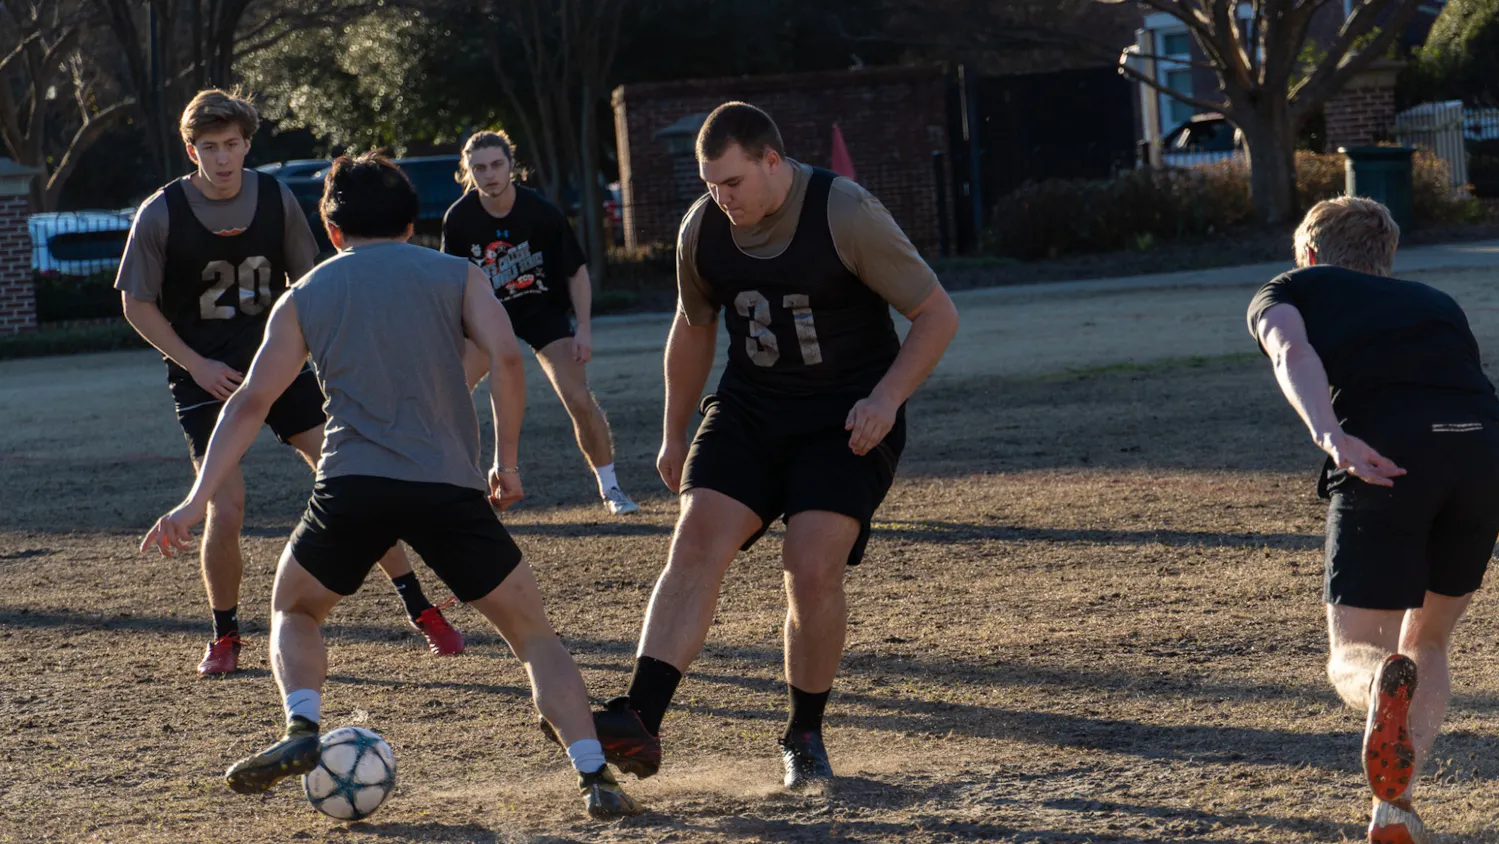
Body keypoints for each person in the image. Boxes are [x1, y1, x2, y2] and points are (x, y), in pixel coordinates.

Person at [140, 154, 641, 819]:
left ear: (332, 227)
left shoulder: (307, 293)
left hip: (353, 485)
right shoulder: (458, 274)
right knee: (535, 638)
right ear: (413, 222)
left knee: (294, 608)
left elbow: (251, 400)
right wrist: (508, 460)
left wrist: (196, 498)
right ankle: (594, 776)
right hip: (448, 488)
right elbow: (509, 356)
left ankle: (301, 728)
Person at [541, 102, 958, 790]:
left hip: (846, 417)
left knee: (811, 563)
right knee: (697, 537)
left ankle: (804, 735)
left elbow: (936, 313)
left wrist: (885, 399)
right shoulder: (702, 228)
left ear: (772, 161)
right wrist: (675, 430)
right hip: (751, 410)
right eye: (710, 183)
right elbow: (693, 325)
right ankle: (640, 721)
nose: (720, 197)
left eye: (732, 182)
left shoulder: (844, 211)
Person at [117, 89, 462, 675]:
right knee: (226, 508)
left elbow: (311, 283)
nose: (222, 159)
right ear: (190, 149)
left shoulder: (276, 198)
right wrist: (194, 363)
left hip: (277, 359)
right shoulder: (161, 212)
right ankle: (225, 635)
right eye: (209, 147)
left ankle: (419, 607)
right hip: (208, 375)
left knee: (351, 477)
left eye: (231, 145)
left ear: (248, 145)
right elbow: (136, 304)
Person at [1247, 197, 1499, 844]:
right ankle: (1397, 809)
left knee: (1355, 656)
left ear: (1308, 253)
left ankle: (1378, 686)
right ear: (1386, 258)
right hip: (1483, 453)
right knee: (1431, 641)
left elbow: (1291, 354)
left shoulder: (1290, 287)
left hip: (1388, 455)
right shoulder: (1434, 300)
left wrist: (1331, 437)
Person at [442, 130, 637, 516]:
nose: (489, 174)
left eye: (497, 164)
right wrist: (451, 338)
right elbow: (451, 284)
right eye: (478, 168)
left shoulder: (542, 212)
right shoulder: (459, 219)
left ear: (512, 166)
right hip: (487, 318)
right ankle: (460, 489)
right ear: (468, 172)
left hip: (542, 312)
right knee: (448, 396)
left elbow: (576, 271)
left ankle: (611, 488)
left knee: (579, 398)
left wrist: (583, 328)